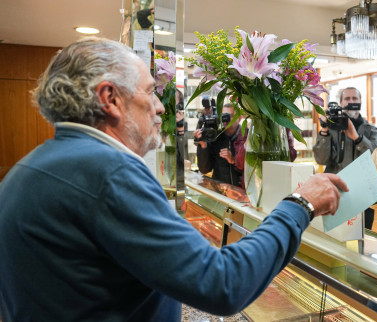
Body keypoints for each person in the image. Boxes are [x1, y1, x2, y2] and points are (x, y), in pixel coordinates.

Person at [0, 38, 348, 321]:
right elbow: (223, 284)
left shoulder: (29, 166)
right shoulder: (110, 172)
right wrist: (301, 204)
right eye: (150, 92)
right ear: (110, 99)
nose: (161, 107)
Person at [313, 87, 377, 173]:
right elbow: (321, 160)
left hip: (362, 181)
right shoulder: (332, 129)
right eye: (347, 98)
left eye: (354, 98)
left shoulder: (372, 130)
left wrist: (358, 139)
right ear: (341, 103)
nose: (351, 102)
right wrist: (324, 130)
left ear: (360, 102)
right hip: (335, 183)